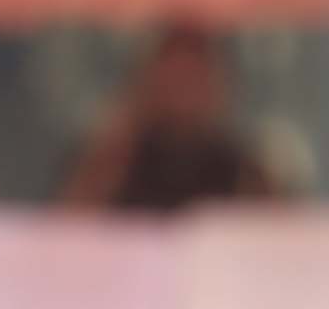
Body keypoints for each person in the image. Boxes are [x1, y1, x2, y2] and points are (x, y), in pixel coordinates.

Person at [61, 21, 293, 213]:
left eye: (195, 78)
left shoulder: (243, 171)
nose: (183, 92)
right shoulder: (115, 162)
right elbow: (69, 226)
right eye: (174, 76)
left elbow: (283, 233)